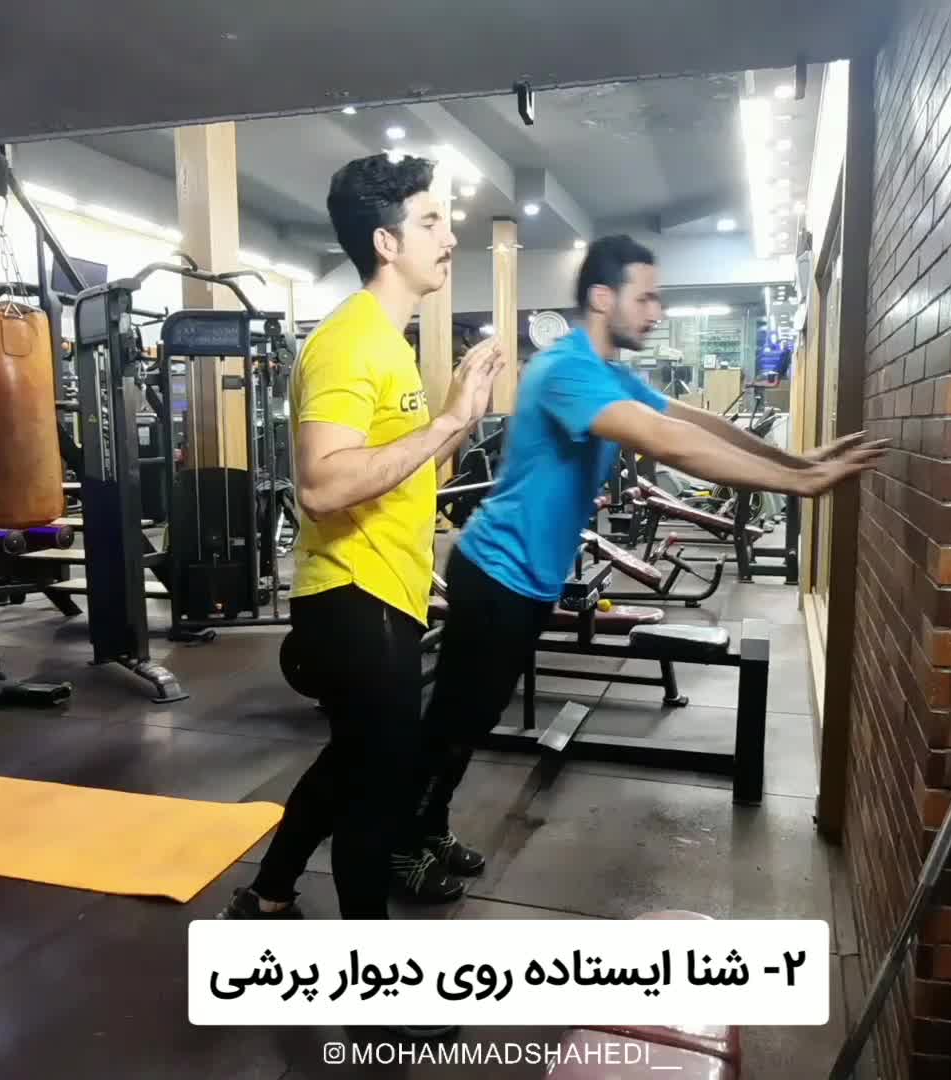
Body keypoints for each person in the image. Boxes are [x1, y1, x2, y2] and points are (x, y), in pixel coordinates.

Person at [410, 235, 887, 860]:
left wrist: (795, 459)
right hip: (496, 574)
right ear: (602, 298)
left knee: (474, 715)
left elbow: (695, 423)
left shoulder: (610, 374)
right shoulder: (563, 370)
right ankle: (400, 842)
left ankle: (425, 826)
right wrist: (797, 482)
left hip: (525, 581)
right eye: (646, 298)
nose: (656, 312)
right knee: (456, 720)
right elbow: (669, 443)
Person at [224, 153, 505, 920]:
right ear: (386, 242)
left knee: (351, 765)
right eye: (431, 222)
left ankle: (268, 896)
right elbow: (322, 483)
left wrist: (458, 419)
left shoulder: (386, 341)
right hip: (354, 596)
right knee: (376, 792)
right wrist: (449, 421)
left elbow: (402, 475)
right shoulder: (351, 341)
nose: (450, 237)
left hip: (383, 591)